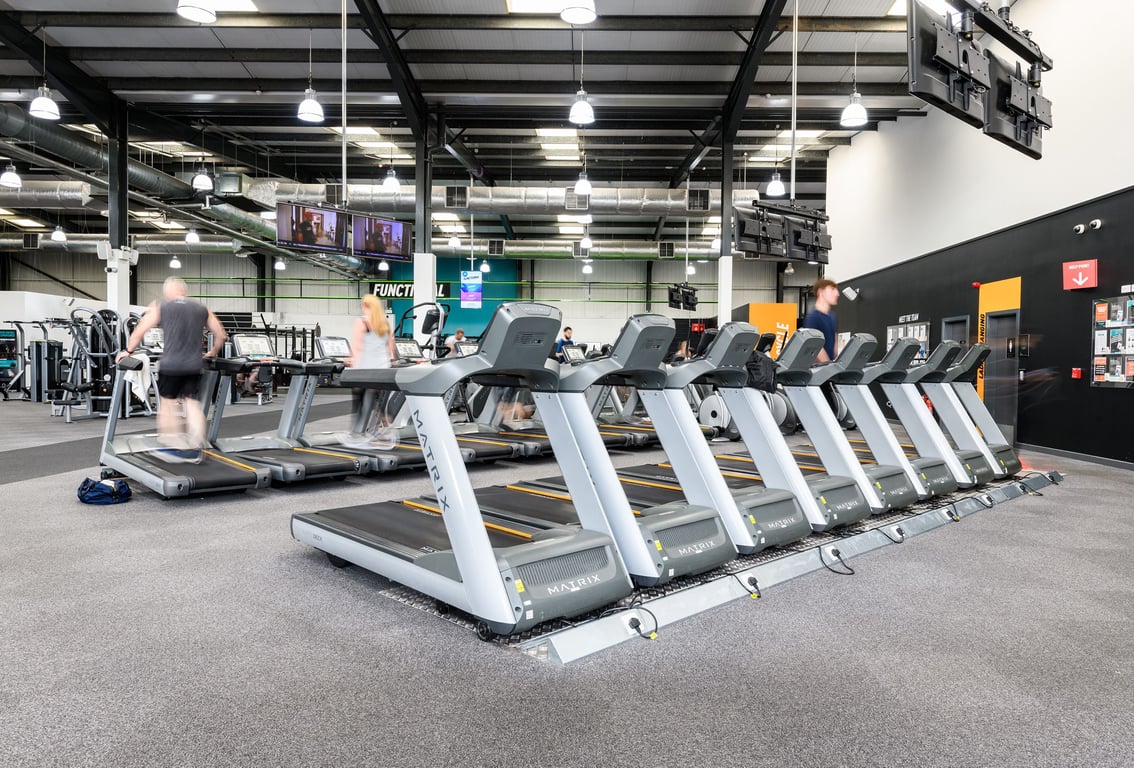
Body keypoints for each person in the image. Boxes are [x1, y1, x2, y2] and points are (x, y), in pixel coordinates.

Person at [117, 276, 227, 463]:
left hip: (171, 365)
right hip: (194, 365)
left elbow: (139, 331)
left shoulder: (161, 306)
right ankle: (196, 445)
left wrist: (127, 351)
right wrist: (213, 352)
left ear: (168, 292)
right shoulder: (202, 308)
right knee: (192, 404)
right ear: (184, 291)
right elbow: (221, 335)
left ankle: (172, 445)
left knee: (168, 404)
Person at [346, 294, 397, 448]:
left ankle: (356, 434)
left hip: (366, 370)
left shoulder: (361, 322)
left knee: (360, 403)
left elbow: (357, 348)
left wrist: (350, 362)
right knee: (378, 403)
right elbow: (391, 350)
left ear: (366, 306)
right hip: (383, 371)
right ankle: (386, 429)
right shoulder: (385, 324)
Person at [801, 278, 840, 363]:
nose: (837, 294)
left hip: (830, 365)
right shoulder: (813, 317)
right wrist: (828, 366)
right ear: (821, 292)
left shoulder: (832, 316)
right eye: (832, 289)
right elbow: (815, 346)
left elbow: (835, 342)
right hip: (818, 368)